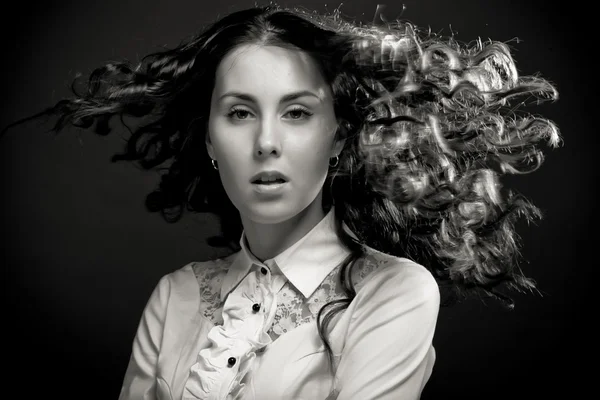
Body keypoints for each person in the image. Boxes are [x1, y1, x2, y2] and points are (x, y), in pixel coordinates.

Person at [2, 3, 561, 399]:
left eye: (297, 112)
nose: (266, 141)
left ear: (340, 136)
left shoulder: (395, 293)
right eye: (240, 112)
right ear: (210, 141)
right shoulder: (173, 297)